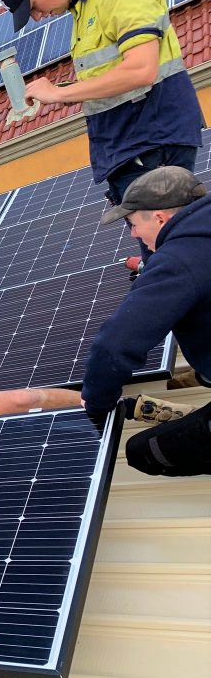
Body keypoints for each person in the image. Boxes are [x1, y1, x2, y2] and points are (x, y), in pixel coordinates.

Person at [0, 0, 203, 262]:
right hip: (131, 145)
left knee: (172, 253)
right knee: (160, 250)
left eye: (32, 6)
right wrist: (62, 91)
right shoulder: (84, 5)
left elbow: (141, 69)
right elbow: (112, 77)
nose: (36, 17)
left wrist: (59, 94)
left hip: (150, 141)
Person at [81, 166, 211, 475]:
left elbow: (114, 346)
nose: (133, 234)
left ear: (160, 218)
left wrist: (96, 405)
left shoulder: (178, 262)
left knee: (144, 451)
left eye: (133, 224)